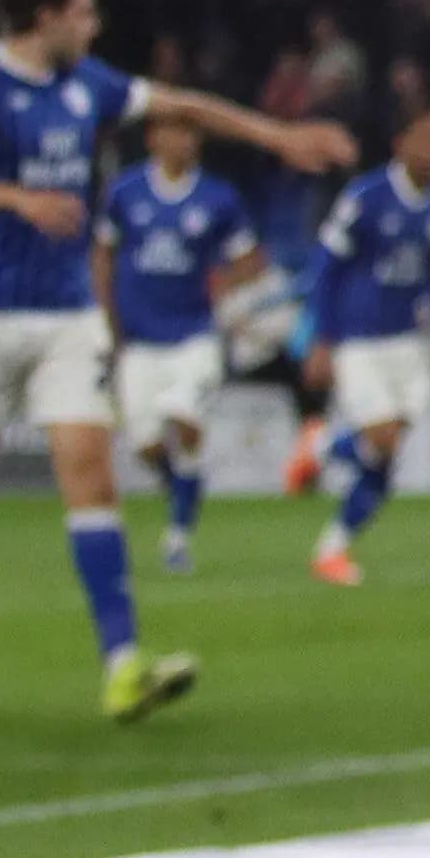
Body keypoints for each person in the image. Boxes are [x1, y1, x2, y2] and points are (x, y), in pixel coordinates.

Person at [0, 0, 350, 727]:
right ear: (45, 16)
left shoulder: (91, 86)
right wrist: (19, 200)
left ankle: (123, 666)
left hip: (65, 314)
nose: (94, 23)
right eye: (83, 9)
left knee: (89, 469)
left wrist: (277, 137)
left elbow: (185, 103)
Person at [295, 106, 430, 587]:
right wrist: (320, 337)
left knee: (383, 459)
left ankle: (331, 550)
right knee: (383, 440)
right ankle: (322, 443)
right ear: (401, 144)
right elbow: (327, 268)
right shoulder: (367, 198)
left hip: (410, 342)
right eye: (426, 139)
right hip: (361, 339)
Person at [92, 108, 264, 577]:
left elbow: (251, 259)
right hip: (140, 341)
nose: (182, 142)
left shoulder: (217, 198)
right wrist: (105, 319)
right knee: (146, 445)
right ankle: (185, 485)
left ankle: (177, 537)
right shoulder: (125, 192)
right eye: (172, 131)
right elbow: (103, 255)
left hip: (193, 335)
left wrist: (224, 285)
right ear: (153, 138)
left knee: (185, 419)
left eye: (190, 133)